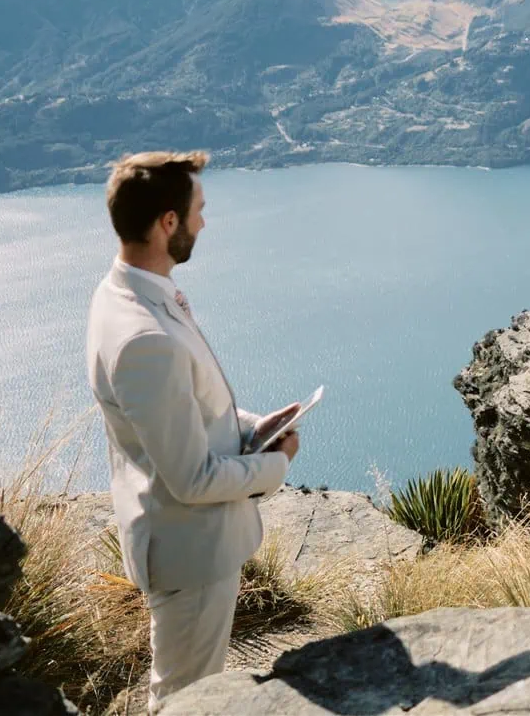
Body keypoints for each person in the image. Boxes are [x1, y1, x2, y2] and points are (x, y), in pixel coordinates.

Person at [84, 150, 301, 712]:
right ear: (168, 222)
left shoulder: (125, 294)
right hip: (188, 551)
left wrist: (253, 426)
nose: (205, 222)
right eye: (198, 210)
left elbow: (187, 410)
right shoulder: (144, 337)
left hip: (184, 541)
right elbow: (192, 479)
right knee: (186, 699)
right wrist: (275, 466)